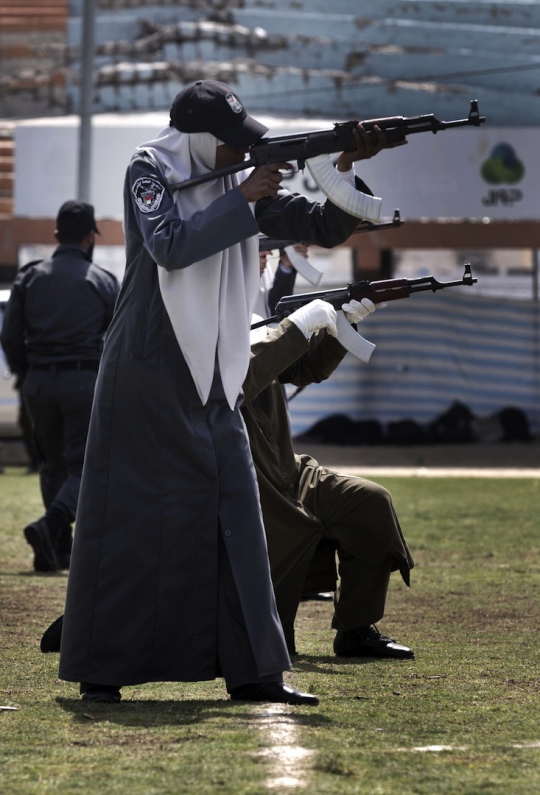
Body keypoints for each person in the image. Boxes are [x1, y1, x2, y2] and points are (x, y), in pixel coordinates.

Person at [57, 79, 403, 705]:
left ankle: (256, 673)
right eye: (230, 144)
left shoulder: (235, 183)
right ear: (197, 139)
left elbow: (323, 227)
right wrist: (244, 197)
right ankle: (101, 669)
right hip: (146, 370)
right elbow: (168, 246)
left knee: (239, 520)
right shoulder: (150, 169)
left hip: (216, 369)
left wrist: (343, 164)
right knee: (132, 523)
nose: (240, 154)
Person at [243, 297, 415, 658]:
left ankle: (356, 630)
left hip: (292, 472)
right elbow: (241, 379)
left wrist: (342, 327)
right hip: (253, 484)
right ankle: (269, 640)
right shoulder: (204, 324)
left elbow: (305, 370)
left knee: (370, 501)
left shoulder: (250, 316)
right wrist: (297, 327)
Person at [0, 202, 119, 572]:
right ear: (89, 238)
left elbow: (9, 334)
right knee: (83, 465)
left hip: (38, 382)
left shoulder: (29, 278)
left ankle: (57, 549)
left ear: (55, 236)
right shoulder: (102, 280)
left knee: (51, 465)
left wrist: (28, 370)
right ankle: (51, 527)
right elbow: (117, 338)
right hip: (83, 381)